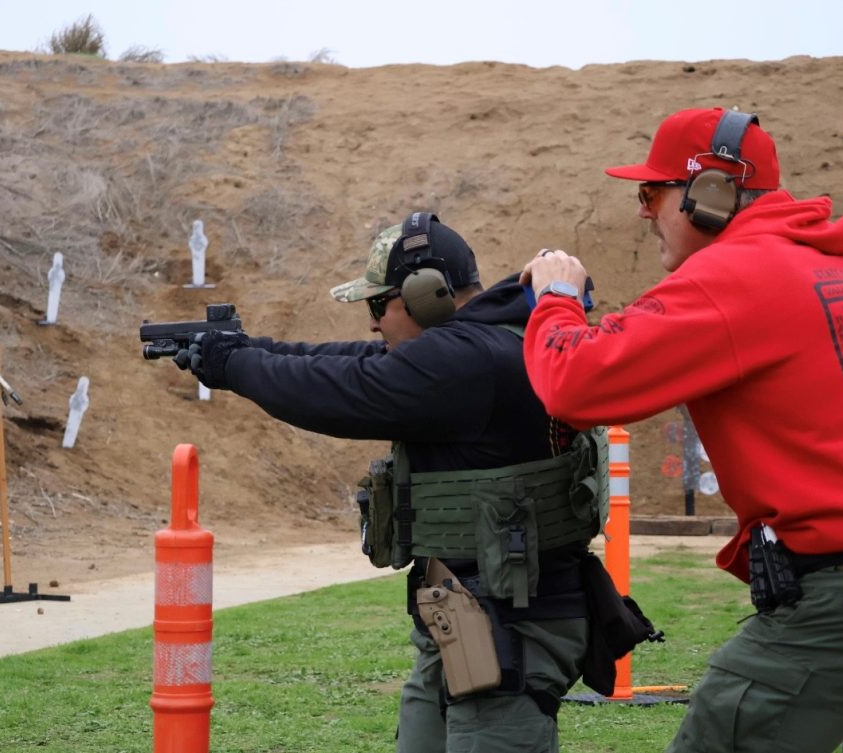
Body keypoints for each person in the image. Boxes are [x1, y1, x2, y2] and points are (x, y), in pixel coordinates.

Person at [519, 107, 843, 753]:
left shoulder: (736, 275)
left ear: (711, 194)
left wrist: (555, 297)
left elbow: (578, 385)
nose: (644, 211)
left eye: (653, 192)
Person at [173, 212, 612, 753]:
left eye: (379, 305)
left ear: (425, 295)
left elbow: (345, 389)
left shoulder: (466, 359)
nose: (374, 323)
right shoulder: (495, 338)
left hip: (514, 626)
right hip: (467, 616)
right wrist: (242, 350)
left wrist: (235, 366)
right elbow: (349, 359)